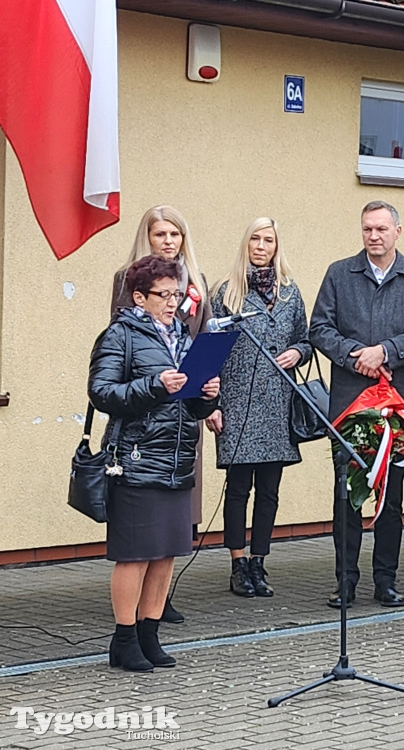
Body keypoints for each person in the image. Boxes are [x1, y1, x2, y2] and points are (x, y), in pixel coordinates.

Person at [90, 255, 220, 671]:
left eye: (176, 294)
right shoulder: (120, 335)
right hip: (137, 458)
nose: (172, 302)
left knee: (165, 553)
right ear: (139, 296)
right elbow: (102, 392)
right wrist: (154, 385)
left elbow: (193, 407)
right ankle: (123, 639)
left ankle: (150, 634)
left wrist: (207, 393)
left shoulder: (182, 335)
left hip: (177, 458)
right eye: (163, 294)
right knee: (135, 554)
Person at [310, 201, 404, 609]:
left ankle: (386, 579)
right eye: (367, 228)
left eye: (382, 228)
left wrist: (385, 351)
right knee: (347, 496)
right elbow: (320, 329)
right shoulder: (338, 273)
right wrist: (354, 355)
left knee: (391, 498)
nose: (374, 236)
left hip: (396, 403)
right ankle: (345, 581)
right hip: (349, 403)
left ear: (398, 231)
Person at [110, 205, 213, 625]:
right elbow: (115, 365)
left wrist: (208, 394)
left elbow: (203, 339)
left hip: (183, 418)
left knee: (176, 526)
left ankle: (156, 608)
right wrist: (155, 381)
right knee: (140, 537)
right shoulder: (128, 282)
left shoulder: (196, 283)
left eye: (176, 234)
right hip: (143, 425)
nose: (169, 241)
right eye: (161, 234)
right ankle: (128, 624)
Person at [205, 218, 312, 598]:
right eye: (255, 238)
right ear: (245, 243)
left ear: (277, 246)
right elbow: (209, 351)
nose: (261, 246)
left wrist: (298, 352)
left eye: (268, 240)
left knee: (269, 490)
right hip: (236, 403)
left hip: (277, 403)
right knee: (238, 489)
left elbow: (306, 338)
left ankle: (259, 562)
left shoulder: (289, 292)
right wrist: (211, 405)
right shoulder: (225, 292)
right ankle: (237, 562)